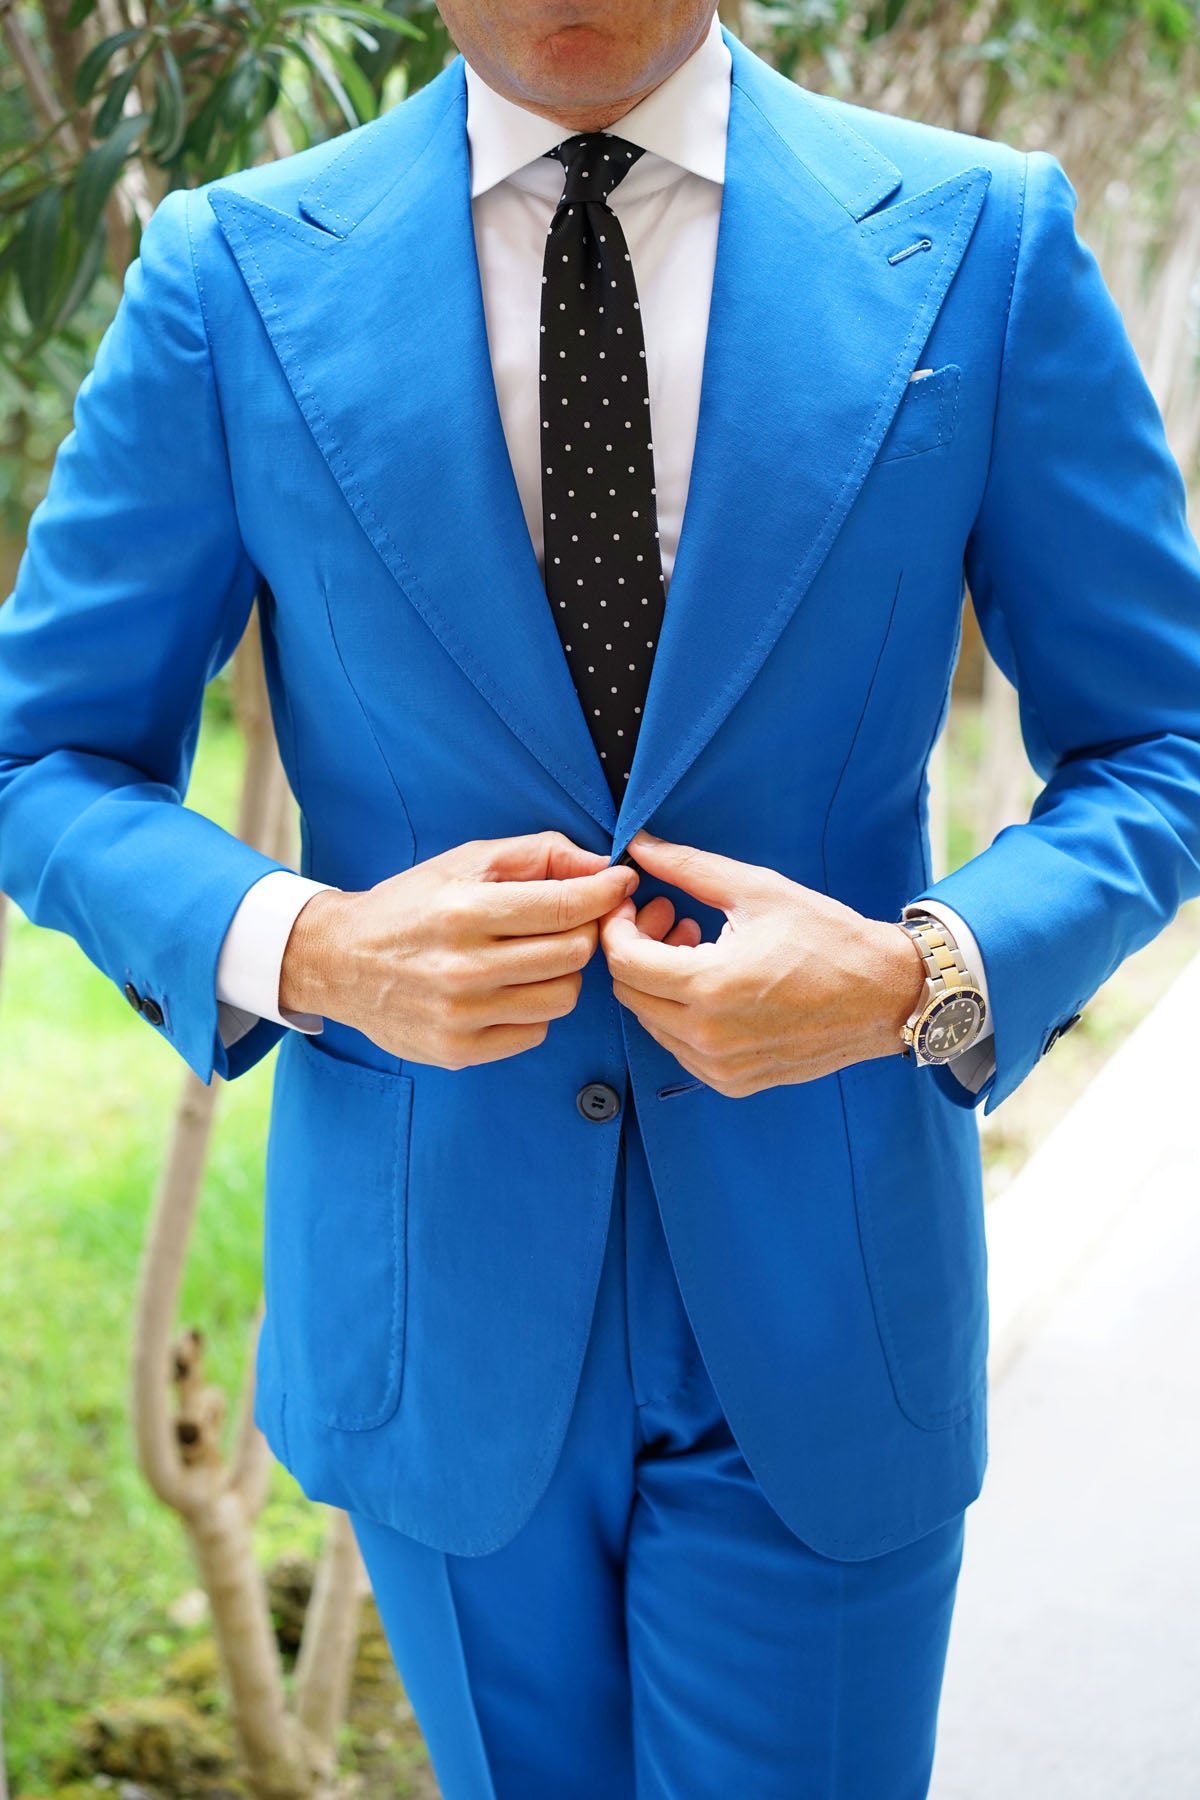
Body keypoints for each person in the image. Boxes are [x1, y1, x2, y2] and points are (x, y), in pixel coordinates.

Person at [3, 2, 1200, 1792]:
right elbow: (45, 760)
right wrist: (312, 949)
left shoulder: (982, 239)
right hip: (442, 1311)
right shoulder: (229, 273)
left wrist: (914, 975)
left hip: (828, 1299)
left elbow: (1159, 739)